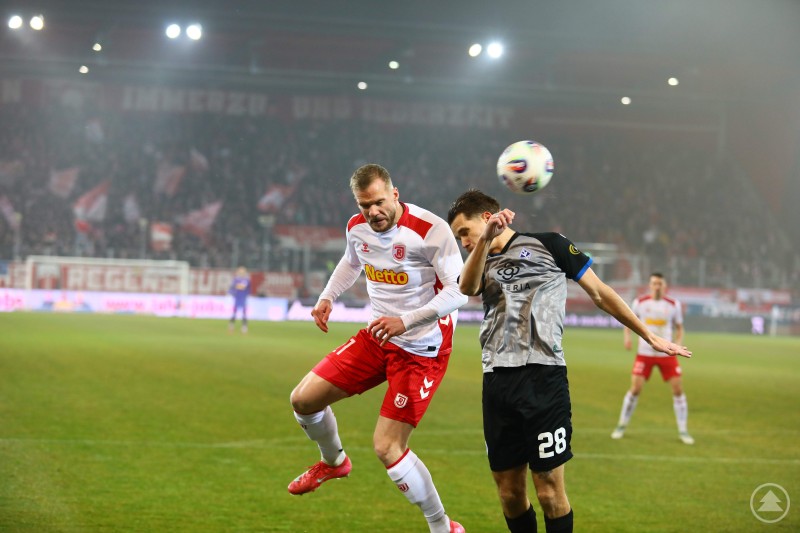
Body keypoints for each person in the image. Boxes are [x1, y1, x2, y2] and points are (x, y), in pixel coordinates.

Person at [446, 189, 691, 533]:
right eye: (459, 238)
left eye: (464, 232)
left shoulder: (550, 244)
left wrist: (648, 335)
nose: (463, 242)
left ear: (486, 217)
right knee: (509, 493)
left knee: (549, 490)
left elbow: (600, 292)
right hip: (497, 380)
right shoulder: (479, 260)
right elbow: (468, 288)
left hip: (544, 379)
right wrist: (483, 240)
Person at [288, 164, 469, 533]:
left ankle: (442, 527)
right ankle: (334, 462)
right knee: (303, 400)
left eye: (379, 202)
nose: (373, 212)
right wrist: (327, 296)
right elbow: (351, 261)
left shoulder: (431, 231)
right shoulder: (357, 227)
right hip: (379, 338)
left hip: (422, 349)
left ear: (395, 194)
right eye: (365, 205)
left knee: (388, 448)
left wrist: (406, 320)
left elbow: (459, 292)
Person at [611, 272, 693, 444]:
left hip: (667, 353)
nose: (657, 286)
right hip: (645, 353)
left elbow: (679, 328)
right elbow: (628, 321)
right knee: (635, 389)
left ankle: (683, 430)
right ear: (650, 285)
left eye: (660, 284)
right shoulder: (640, 303)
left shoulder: (673, 305)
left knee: (678, 390)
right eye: (654, 283)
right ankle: (621, 425)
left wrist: (677, 344)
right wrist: (627, 338)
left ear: (665, 286)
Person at [228, 266, 250, 333]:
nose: (241, 273)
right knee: (234, 312)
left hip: (243, 298)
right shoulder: (236, 280)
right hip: (237, 298)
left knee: (244, 313)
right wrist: (233, 293)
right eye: (240, 271)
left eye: (243, 271)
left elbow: (248, 289)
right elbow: (231, 289)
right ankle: (231, 325)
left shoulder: (247, 280)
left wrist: (240, 288)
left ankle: (244, 327)